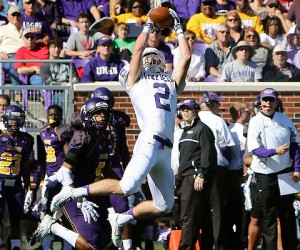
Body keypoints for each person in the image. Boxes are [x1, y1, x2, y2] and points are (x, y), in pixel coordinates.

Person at [50, 8, 191, 248]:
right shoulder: (136, 81)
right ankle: (72, 193)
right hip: (149, 139)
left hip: (166, 148)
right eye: (149, 56)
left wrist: (178, 28)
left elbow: (186, 58)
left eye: (156, 55)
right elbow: (137, 49)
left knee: (164, 205)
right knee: (126, 187)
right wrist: (147, 25)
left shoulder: (170, 82)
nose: (154, 58)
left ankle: (122, 217)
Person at [247, 87, 300, 250]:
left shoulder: (285, 119)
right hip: (265, 174)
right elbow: (255, 150)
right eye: (265, 100)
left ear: (276, 102)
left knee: (287, 214)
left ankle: (290, 246)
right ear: (260, 102)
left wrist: (297, 168)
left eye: (271, 100)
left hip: (284, 173)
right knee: (268, 216)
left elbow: (295, 146)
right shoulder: (255, 121)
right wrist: (274, 152)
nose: (267, 103)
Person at [177, 98, 216, 250]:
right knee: (200, 217)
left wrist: (201, 173)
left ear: (196, 110)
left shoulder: (202, 129)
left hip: (194, 178)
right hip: (185, 178)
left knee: (189, 218)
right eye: (183, 109)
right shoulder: (183, 131)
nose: (185, 111)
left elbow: (208, 154)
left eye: (189, 109)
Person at [198, 91, 235, 250]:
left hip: (193, 169)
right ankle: (219, 245)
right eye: (217, 104)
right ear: (210, 104)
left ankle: (202, 244)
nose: (219, 107)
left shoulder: (191, 119)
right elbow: (226, 147)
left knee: (198, 208)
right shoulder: (217, 120)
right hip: (216, 168)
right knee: (218, 209)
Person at [0, 105, 34, 249]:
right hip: (0, 182)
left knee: (16, 217)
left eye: (17, 119)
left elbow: (26, 165)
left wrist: (29, 188)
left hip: (15, 184)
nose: (14, 123)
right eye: (11, 120)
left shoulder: (27, 139)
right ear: (5, 120)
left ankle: (14, 246)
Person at [227, 101, 250, 250]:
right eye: (247, 110)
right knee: (243, 211)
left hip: (227, 175)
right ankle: (241, 242)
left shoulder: (228, 129)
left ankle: (230, 241)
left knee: (229, 210)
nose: (250, 113)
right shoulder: (244, 132)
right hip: (240, 174)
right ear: (241, 113)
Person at [0, 6, 24, 87]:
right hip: (9, 56)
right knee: (14, 63)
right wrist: (0, 52)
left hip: (25, 56)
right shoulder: (3, 29)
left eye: (17, 15)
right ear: (8, 16)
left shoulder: (26, 29)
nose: (15, 17)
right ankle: (18, 92)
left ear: (21, 16)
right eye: (13, 15)